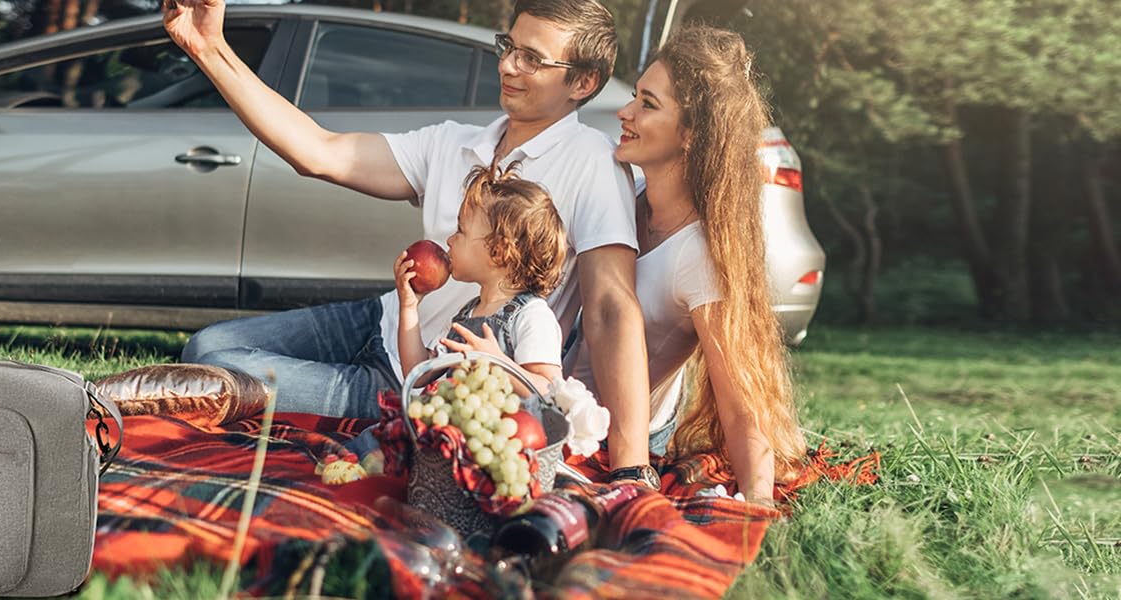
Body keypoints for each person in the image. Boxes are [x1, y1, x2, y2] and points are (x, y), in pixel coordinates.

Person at [165, 0, 663, 487]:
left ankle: (376, 415)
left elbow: (610, 308)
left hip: (427, 381)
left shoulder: (592, 163)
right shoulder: (452, 141)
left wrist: (631, 462)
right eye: (509, 46)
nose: (509, 66)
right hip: (386, 320)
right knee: (208, 345)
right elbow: (321, 152)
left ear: (583, 82)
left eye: (533, 58)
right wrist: (210, 47)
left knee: (214, 369)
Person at [602, 25, 805, 504]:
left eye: (647, 105)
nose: (624, 112)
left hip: (621, 441)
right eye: (634, 96)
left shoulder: (700, 255)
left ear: (692, 133)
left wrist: (757, 501)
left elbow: (740, 404)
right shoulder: (623, 197)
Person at [397, 164, 567, 394]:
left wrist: (499, 363)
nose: (449, 240)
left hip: (506, 428)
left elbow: (550, 389)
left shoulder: (532, 316)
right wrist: (409, 308)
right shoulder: (468, 314)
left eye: (461, 231)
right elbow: (418, 373)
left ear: (497, 252)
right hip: (459, 426)